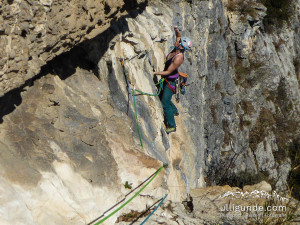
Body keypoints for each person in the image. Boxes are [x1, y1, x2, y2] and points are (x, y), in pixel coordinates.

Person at [153, 26, 192, 134]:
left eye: (178, 42)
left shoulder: (179, 58)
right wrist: (176, 30)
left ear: (181, 46)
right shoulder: (177, 49)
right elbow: (178, 36)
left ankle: (172, 125)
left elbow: (168, 72)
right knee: (164, 96)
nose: (176, 41)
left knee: (164, 103)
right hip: (169, 80)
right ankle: (174, 110)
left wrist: (155, 73)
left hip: (170, 82)